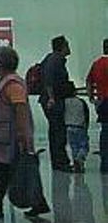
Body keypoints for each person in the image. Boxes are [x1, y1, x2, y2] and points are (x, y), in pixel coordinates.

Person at [0, 45, 50, 219]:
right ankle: (38, 203)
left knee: (3, 173)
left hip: (10, 139)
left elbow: (20, 109)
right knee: (16, 171)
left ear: (1, 63)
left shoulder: (12, 84)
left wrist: (22, 135)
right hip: (1, 138)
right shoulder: (4, 81)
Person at [39, 35, 73, 171]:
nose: (69, 48)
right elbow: (49, 80)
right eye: (67, 45)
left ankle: (58, 162)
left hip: (49, 99)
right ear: (62, 47)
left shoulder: (50, 58)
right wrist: (52, 98)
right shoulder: (56, 60)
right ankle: (61, 162)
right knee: (59, 132)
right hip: (54, 101)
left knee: (55, 131)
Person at [86, 40, 108, 174]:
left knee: (105, 131)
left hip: (102, 102)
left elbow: (89, 81)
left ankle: (105, 164)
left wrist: (91, 98)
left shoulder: (96, 64)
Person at [59, 80, 90, 173]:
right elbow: (86, 115)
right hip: (80, 126)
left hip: (68, 127)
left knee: (74, 146)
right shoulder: (81, 101)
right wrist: (86, 127)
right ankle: (80, 159)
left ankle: (76, 164)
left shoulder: (63, 103)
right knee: (84, 146)